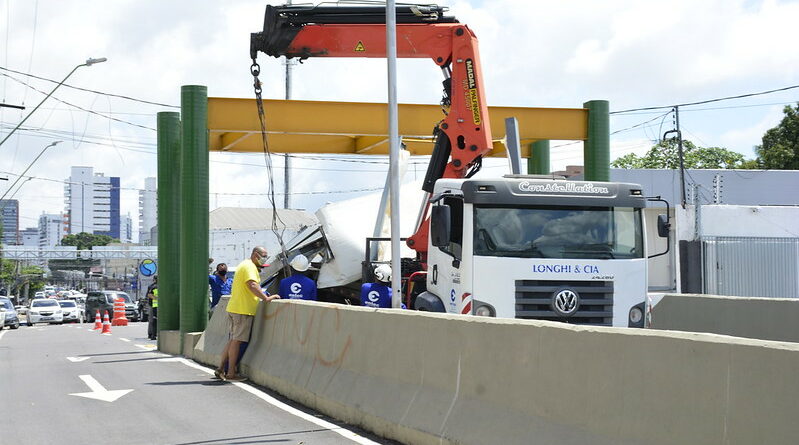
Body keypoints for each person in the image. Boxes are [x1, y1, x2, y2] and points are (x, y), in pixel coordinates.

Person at [215, 246, 280, 382]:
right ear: (255, 255)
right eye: (263, 256)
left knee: (233, 340)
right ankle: (231, 373)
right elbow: (252, 285)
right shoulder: (250, 267)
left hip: (235, 308)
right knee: (236, 341)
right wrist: (266, 298)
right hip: (242, 310)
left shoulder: (244, 264)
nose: (264, 259)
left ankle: (221, 368)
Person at [146, 276, 158, 340]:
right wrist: (156, 299)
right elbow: (149, 295)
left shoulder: (152, 286)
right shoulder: (152, 286)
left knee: (152, 320)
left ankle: (151, 334)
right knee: (153, 320)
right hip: (153, 305)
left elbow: (148, 295)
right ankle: (151, 333)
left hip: (153, 305)